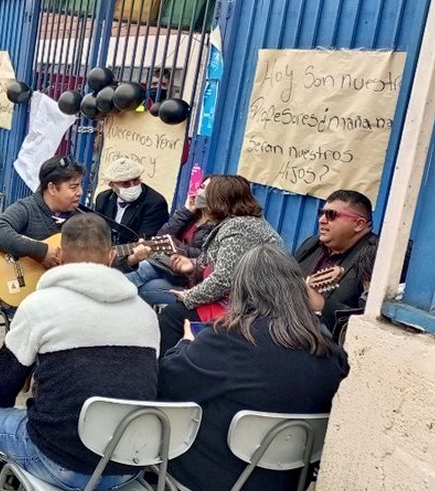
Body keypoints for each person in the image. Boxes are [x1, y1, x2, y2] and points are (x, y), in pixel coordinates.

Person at [0, 213, 158, 491]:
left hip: (60, 464)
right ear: (112, 257)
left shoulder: (40, 305)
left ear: (60, 255)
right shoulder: (146, 314)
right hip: (127, 467)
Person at [158, 244, 349, 491]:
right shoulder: (331, 352)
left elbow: (167, 382)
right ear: (297, 288)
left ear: (241, 290)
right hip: (288, 483)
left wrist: (184, 344)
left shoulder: (228, 339)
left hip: (209, 478)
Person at [157, 175, 283, 355]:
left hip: (248, 309)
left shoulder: (240, 226)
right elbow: (215, 261)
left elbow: (223, 279)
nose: (200, 195)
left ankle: (165, 374)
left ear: (220, 201)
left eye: (207, 194)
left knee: (173, 315)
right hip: (240, 301)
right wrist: (194, 265)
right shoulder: (243, 222)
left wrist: (189, 296)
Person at [124, 176, 219, 305]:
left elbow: (206, 257)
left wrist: (175, 246)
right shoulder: (191, 215)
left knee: (145, 288)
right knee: (135, 271)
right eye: (201, 187)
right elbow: (161, 238)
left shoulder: (219, 227)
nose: (201, 193)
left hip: (187, 278)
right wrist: (185, 212)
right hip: (166, 265)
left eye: (208, 191)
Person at [294, 190, 379, 332]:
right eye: (321, 213)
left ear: (359, 224)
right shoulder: (312, 244)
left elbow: (370, 323)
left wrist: (323, 305)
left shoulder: (374, 257)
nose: (321, 220)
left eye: (331, 215)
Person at [0, 156, 85, 268]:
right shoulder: (27, 208)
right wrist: (40, 251)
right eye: (73, 187)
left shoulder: (81, 221)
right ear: (52, 188)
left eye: (81, 185)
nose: (80, 192)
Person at [93, 157, 169, 246]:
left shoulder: (155, 203)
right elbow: (97, 232)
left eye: (136, 180)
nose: (132, 186)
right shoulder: (103, 199)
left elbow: (146, 241)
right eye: (126, 183)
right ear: (113, 186)